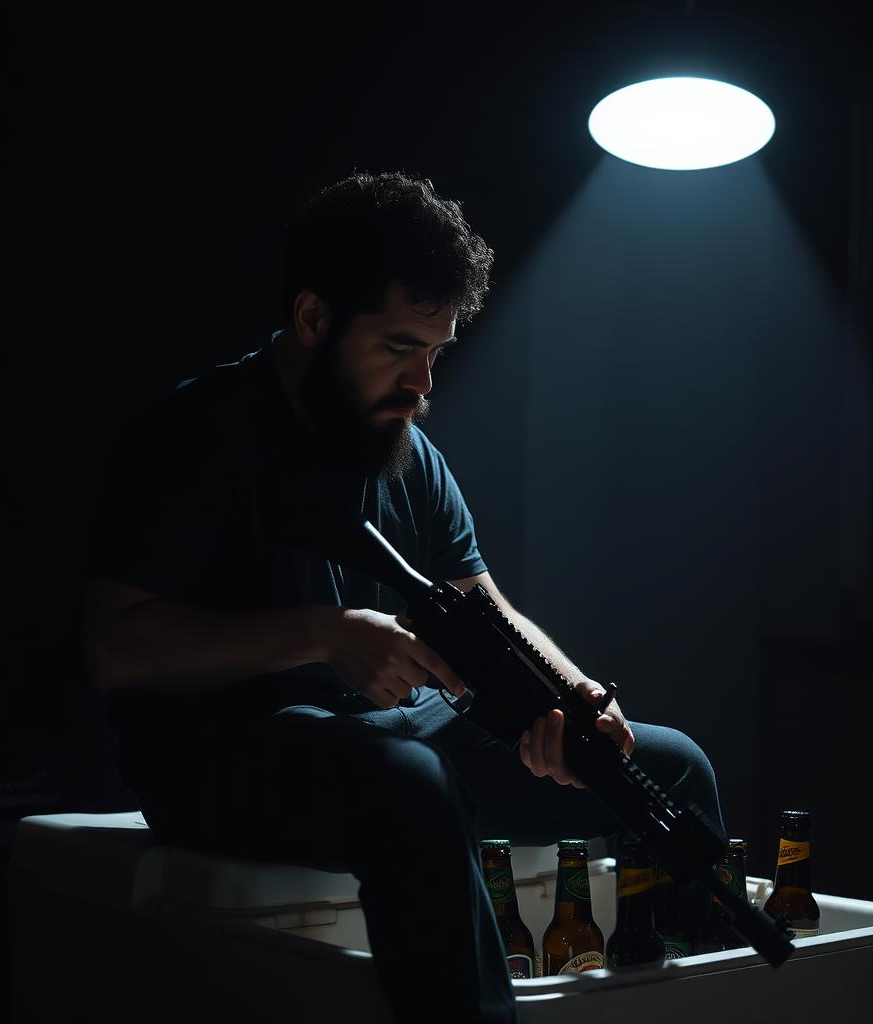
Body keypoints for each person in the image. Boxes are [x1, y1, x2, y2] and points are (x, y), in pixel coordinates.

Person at [81, 171, 726, 1023]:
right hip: (222, 754)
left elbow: (481, 604)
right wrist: (320, 634)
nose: (424, 383)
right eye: (398, 347)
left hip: (387, 736)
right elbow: (114, 647)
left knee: (665, 763)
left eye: (437, 351)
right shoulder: (196, 435)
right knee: (408, 784)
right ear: (314, 319)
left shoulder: (405, 449)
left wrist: (572, 696)